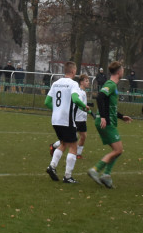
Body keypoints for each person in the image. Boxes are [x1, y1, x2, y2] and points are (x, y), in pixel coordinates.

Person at [87, 61, 133, 189]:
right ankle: (96, 170)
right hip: (106, 122)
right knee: (118, 150)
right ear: (119, 72)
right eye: (122, 70)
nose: (123, 71)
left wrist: (121, 116)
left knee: (117, 151)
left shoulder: (113, 85)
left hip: (109, 120)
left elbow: (109, 105)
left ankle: (106, 175)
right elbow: (100, 97)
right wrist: (103, 117)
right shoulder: (110, 84)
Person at [45, 62, 88, 184]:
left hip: (55, 119)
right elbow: (75, 99)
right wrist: (84, 106)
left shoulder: (56, 83)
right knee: (73, 146)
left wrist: (57, 110)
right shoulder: (73, 84)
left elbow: (47, 101)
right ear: (73, 71)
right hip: (66, 119)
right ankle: (68, 176)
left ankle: (52, 167)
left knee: (63, 143)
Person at [48, 74, 93, 164]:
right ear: (81, 82)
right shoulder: (77, 91)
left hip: (82, 119)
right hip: (75, 118)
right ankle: (54, 146)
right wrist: (87, 110)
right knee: (69, 139)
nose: (88, 83)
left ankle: (78, 154)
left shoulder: (83, 92)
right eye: (86, 81)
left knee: (83, 136)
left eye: (88, 81)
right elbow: (76, 104)